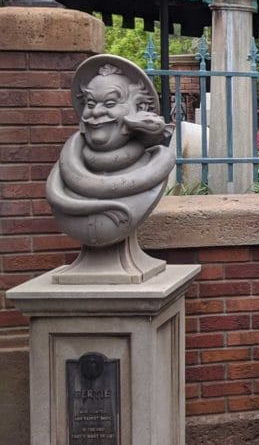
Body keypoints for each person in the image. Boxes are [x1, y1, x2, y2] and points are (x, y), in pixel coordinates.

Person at [45, 55, 175, 282]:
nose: (95, 113)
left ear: (139, 108)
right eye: (90, 103)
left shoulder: (155, 163)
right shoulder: (67, 166)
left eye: (110, 103)